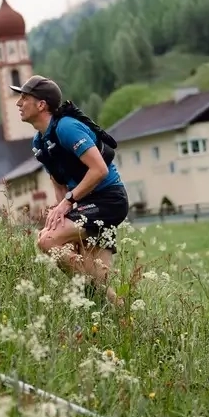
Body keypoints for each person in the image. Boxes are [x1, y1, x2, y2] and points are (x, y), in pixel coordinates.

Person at [12, 75, 129, 306]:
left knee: (46, 241)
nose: (18, 103)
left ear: (41, 104)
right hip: (84, 204)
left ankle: (93, 296)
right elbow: (59, 182)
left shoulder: (67, 127)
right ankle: (117, 311)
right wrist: (62, 209)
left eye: (24, 98)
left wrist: (67, 203)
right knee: (99, 277)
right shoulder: (39, 142)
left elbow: (99, 170)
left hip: (108, 200)